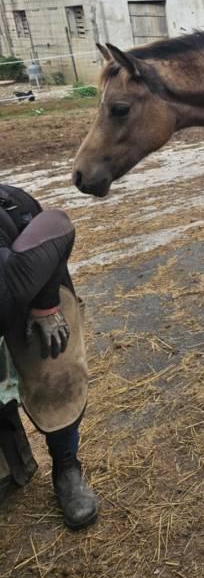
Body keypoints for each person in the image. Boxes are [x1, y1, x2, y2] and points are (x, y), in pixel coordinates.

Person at [0, 183, 98, 529]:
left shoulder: (11, 279)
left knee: (54, 372)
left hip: (31, 271)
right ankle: (9, 467)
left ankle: (66, 465)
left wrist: (45, 305)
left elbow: (56, 224)